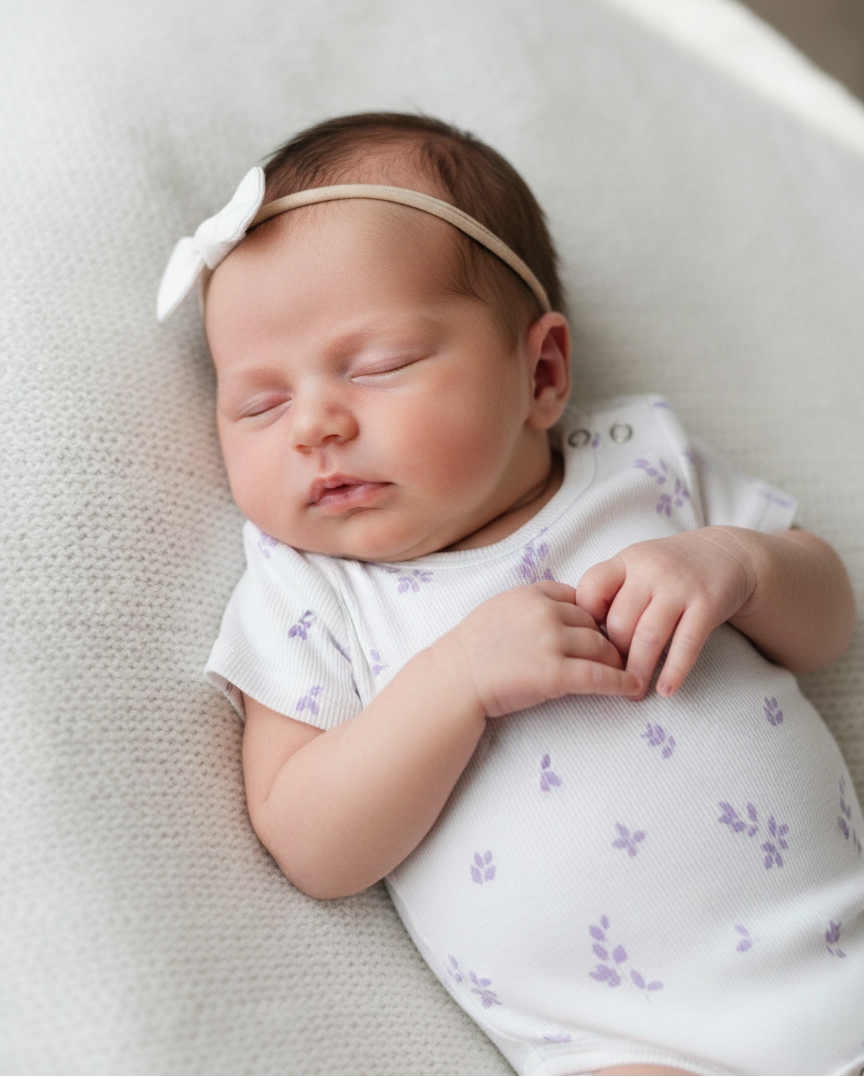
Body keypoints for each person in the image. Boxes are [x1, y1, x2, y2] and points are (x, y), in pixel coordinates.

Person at [159, 114, 864, 1077]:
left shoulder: (640, 467)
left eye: (378, 365)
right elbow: (309, 841)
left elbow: (829, 622)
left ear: (541, 372)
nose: (316, 422)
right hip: (624, 1050)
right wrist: (453, 681)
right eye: (260, 404)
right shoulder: (307, 590)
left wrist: (734, 563)